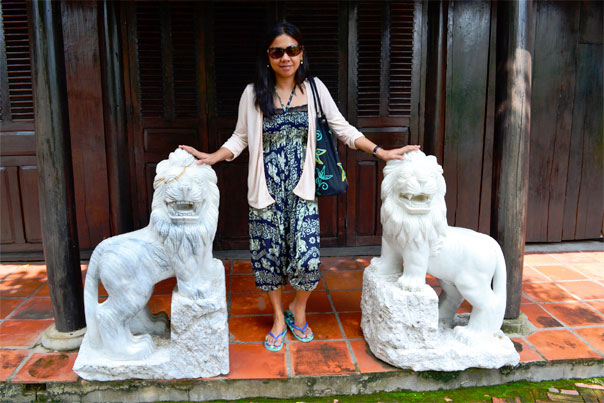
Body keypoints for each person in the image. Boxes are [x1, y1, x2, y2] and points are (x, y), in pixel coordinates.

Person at [180, 22, 420, 351]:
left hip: (302, 191)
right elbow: (239, 138)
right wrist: (213, 157)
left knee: (307, 260)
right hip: (265, 193)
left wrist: (382, 152)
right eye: (277, 51)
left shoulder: (315, 89)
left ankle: (299, 308)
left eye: (292, 50)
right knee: (268, 261)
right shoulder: (253, 94)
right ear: (268, 57)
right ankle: (280, 317)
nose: (285, 57)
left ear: (301, 53)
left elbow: (343, 129)